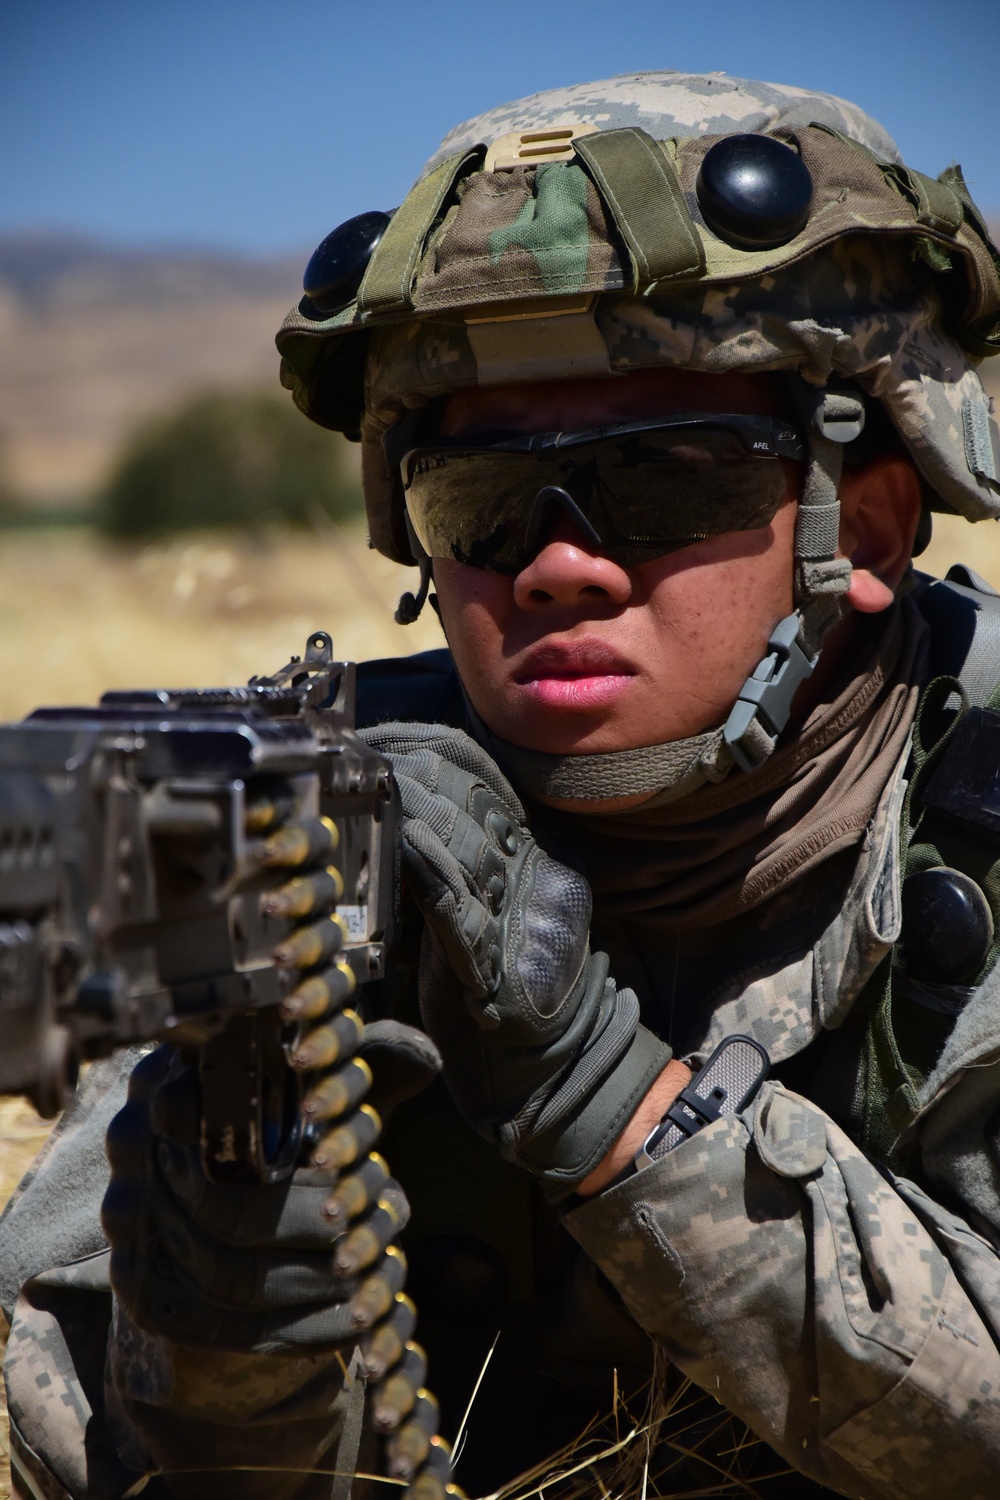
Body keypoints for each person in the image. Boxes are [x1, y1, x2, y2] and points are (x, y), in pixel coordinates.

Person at [4, 69, 1000, 1500]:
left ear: (876, 526)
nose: (555, 562)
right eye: (477, 500)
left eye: (661, 481)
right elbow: (56, 1424)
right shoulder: (317, 819)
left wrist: (599, 1096)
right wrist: (220, 1352)